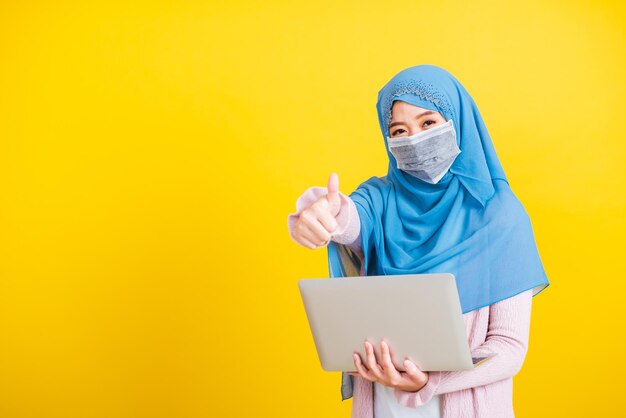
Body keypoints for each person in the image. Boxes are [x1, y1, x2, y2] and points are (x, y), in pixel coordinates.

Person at [286, 64, 550, 418]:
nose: (414, 138)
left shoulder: (499, 215)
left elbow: (508, 348)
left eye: (428, 123)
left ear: (458, 121)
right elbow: (348, 218)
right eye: (399, 129)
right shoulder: (379, 200)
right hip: (382, 407)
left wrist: (430, 382)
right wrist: (320, 214)